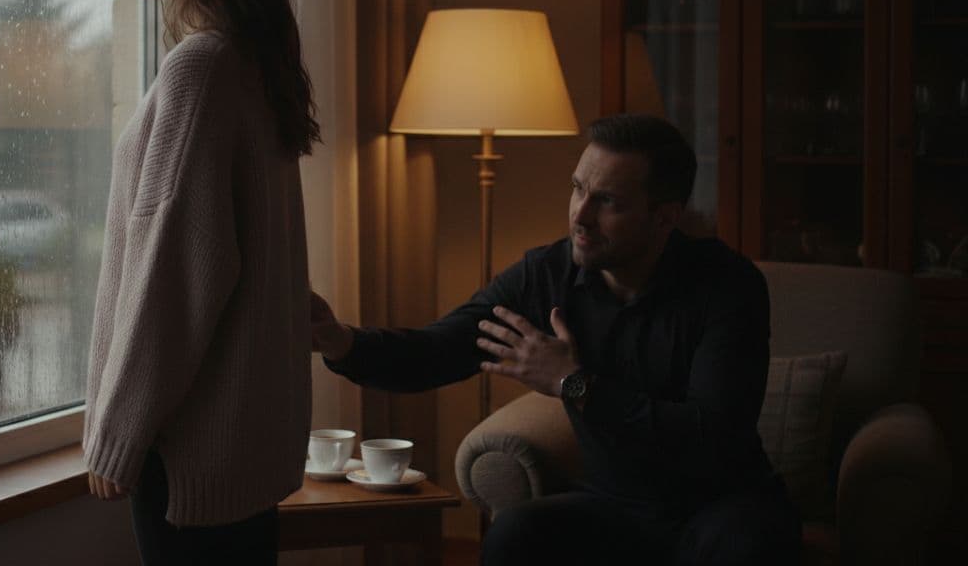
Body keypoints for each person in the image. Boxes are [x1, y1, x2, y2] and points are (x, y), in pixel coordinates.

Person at [311, 114, 801, 565]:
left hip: (720, 503)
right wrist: (339, 341)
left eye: (607, 201)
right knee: (514, 535)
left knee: (745, 547)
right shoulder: (546, 275)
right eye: (578, 189)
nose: (580, 217)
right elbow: (436, 352)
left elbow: (709, 437)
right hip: (615, 504)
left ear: (664, 218)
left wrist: (575, 384)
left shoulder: (728, 286)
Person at [84, 0, 319, 565]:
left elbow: (178, 271)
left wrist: (120, 429)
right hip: (241, 443)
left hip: (187, 443)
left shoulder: (201, 67)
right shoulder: (252, 58)